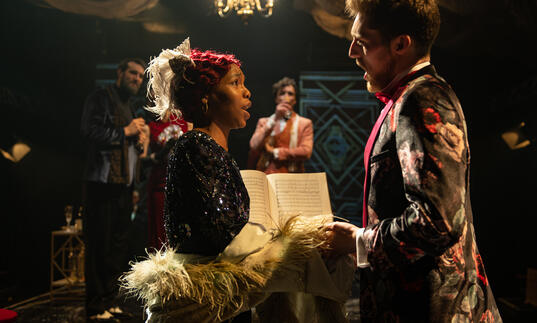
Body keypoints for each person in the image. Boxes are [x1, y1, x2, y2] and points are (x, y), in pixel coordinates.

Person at [325, 0, 502, 322]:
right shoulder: (410, 97)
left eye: (362, 42)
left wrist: (357, 240)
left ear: (401, 44)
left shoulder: (421, 99)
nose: (352, 51)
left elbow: (437, 222)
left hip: (430, 309)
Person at [80, 57, 148, 320]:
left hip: (123, 186)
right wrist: (125, 131)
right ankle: (95, 306)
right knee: (99, 245)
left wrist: (138, 141)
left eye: (141, 76)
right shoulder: (100, 97)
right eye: (133, 73)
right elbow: (89, 131)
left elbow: (127, 142)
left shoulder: (130, 105)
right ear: (119, 73)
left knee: (117, 247)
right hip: (102, 184)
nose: (137, 79)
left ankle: (108, 300)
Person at [248, 77, 313, 174]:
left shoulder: (304, 123)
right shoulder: (264, 122)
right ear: (276, 98)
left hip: (292, 177)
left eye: (290, 94)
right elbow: (254, 145)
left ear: (295, 100)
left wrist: (276, 152)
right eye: (282, 93)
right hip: (266, 175)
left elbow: (306, 151)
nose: (286, 97)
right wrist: (275, 119)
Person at [146, 111, 190, 250]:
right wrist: (160, 153)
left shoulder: (185, 121)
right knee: (160, 234)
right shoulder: (151, 126)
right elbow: (142, 159)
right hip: (160, 184)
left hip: (182, 184)